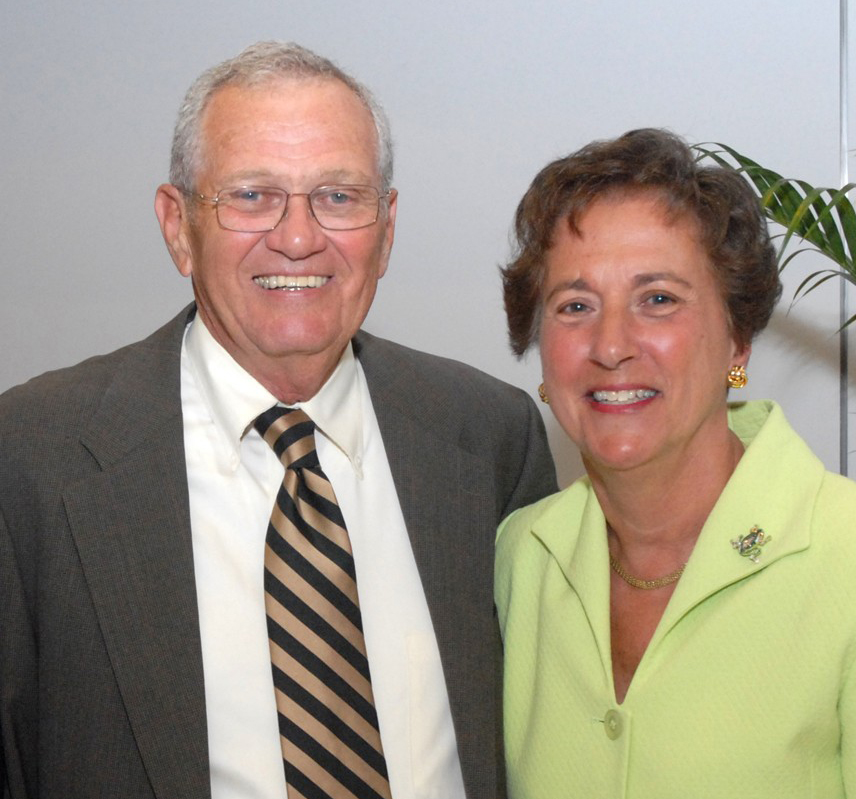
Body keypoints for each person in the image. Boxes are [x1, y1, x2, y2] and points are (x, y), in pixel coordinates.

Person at [0, 41, 555, 799]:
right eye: (253, 195)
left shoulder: (490, 436)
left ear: (386, 228)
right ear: (177, 226)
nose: (297, 237)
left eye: (338, 195)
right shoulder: (31, 458)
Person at [495, 128, 856, 798]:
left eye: (657, 298)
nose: (610, 345)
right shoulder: (521, 557)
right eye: (575, 305)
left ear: (738, 339)